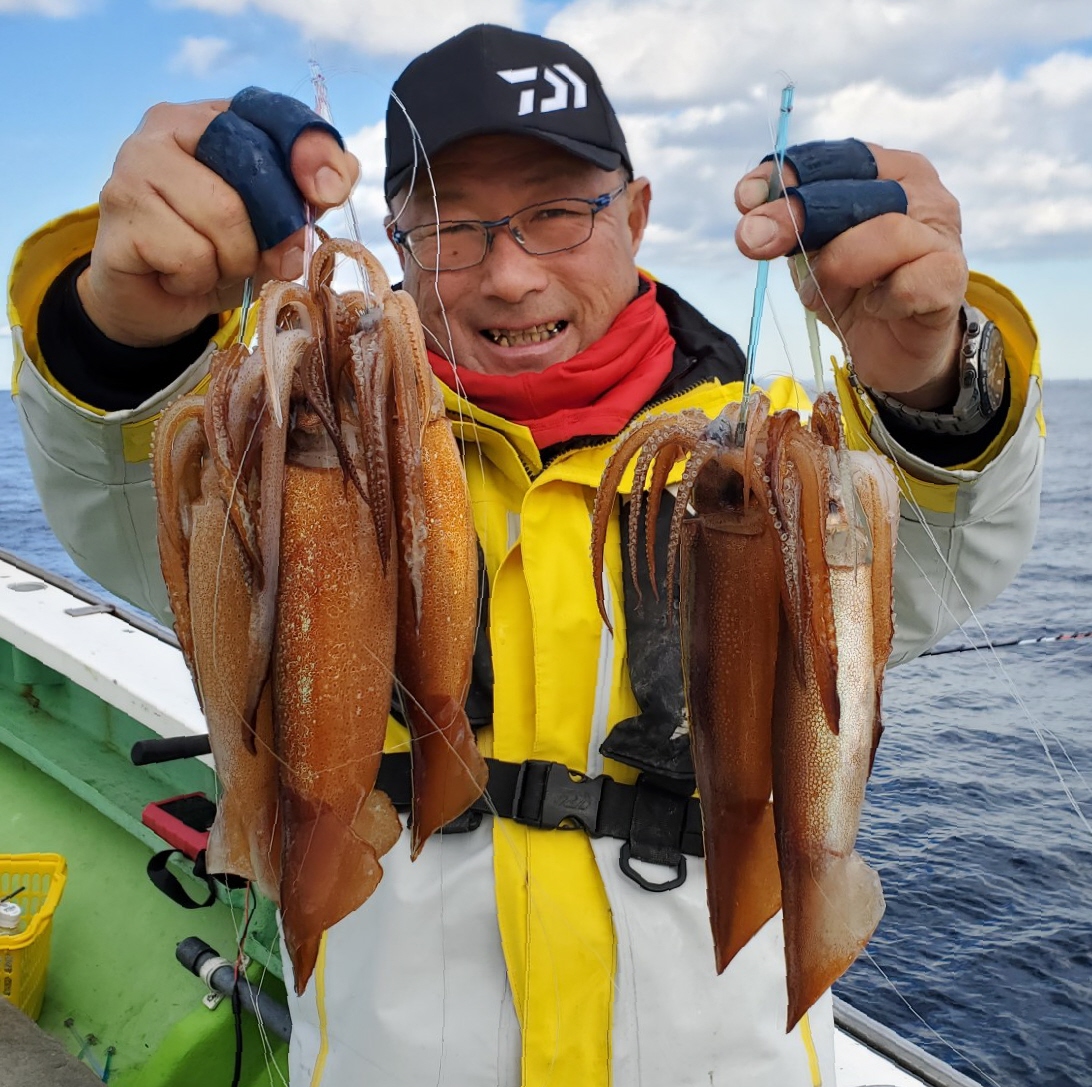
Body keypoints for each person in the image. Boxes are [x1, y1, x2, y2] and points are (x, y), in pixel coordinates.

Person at [8, 23, 1042, 1087]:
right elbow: (143, 519)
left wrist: (934, 384)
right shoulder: (306, 439)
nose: (507, 276)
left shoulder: (780, 458)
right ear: (399, 241)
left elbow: (937, 552)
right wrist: (125, 338)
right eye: (451, 226)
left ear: (634, 217)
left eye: (557, 213)